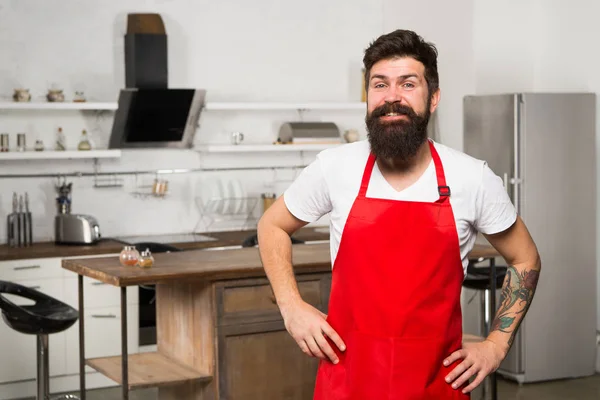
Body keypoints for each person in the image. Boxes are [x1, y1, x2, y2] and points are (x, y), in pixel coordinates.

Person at [257, 29, 541, 399]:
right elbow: (272, 224)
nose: (392, 97)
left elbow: (526, 258)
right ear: (368, 97)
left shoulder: (472, 178)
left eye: (408, 84)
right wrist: (291, 306)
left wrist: (497, 344)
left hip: (437, 385)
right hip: (348, 383)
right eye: (379, 84)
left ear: (433, 97)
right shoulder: (334, 167)